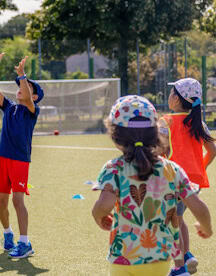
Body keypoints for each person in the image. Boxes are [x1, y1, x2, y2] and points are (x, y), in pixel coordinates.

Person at [92, 95, 212, 276]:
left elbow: (102, 206)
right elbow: (199, 208)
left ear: (115, 135)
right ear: (155, 133)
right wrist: (206, 228)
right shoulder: (172, 169)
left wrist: (99, 216)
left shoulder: (113, 169)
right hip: (159, 259)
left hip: (123, 258)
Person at [0, 45, 43, 258]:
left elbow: (26, 97)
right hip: (4, 159)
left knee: (18, 201)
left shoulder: (31, 111)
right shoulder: (9, 107)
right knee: (1, 202)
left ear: (35, 97)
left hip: (19, 160)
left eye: (26, 87)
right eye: (19, 85)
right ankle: (8, 233)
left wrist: (23, 76)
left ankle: (25, 242)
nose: (20, 88)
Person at [159, 78, 216, 274]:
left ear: (176, 98)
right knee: (179, 218)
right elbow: (213, 149)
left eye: (171, 92)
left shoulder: (166, 121)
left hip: (172, 180)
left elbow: (158, 150)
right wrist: (202, 167)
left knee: (171, 221)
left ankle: (180, 266)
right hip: (192, 181)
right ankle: (187, 255)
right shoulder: (198, 122)